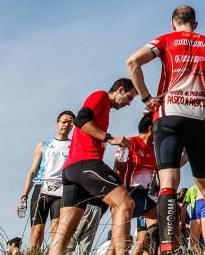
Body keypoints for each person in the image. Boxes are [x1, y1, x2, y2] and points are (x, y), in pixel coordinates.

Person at [126, 5, 205, 255]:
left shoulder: (166, 40)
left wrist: (146, 97)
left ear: (173, 22)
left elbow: (132, 62)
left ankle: (167, 247)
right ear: (195, 24)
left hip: (169, 115)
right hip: (199, 119)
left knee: (168, 184)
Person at [47, 79, 138, 255]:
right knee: (125, 204)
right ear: (120, 89)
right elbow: (80, 119)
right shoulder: (101, 96)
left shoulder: (106, 109)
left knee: (65, 230)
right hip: (85, 163)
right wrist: (109, 138)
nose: (128, 103)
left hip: (72, 169)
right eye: (129, 97)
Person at [17, 110, 74, 253]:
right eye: (64, 121)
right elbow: (32, 171)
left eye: (70, 122)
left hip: (62, 189)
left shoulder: (74, 145)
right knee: (37, 232)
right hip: (42, 187)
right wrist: (24, 194)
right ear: (57, 124)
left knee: (56, 231)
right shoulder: (44, 145)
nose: (66, 124)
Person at [114, 112, 159, 255]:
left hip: (143, 195)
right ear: (151, 129)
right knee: (118, 246)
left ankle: (172, 250)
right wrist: (119, 195)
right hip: (126, 192)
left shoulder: (154, 149)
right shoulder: (130, 142)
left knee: (170, 213)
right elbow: (117, 170)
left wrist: (188, 154)